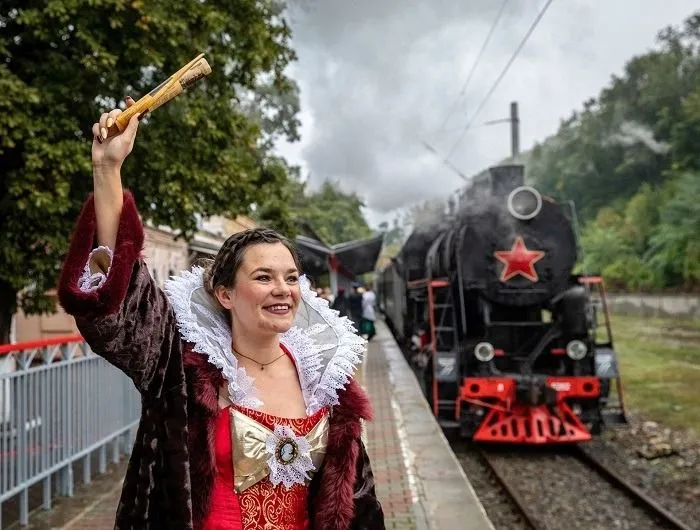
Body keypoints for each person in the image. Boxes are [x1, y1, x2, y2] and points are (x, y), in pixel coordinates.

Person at [57, 98, 385, 529]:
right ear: (225, 293)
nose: (282, 290)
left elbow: (356, 504)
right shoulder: (181, 367)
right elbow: (122, 305)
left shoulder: (325, 379)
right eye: (264, 277)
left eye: (290, 278)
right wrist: (107, 170)